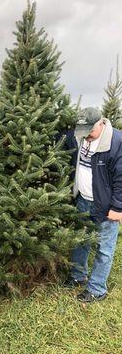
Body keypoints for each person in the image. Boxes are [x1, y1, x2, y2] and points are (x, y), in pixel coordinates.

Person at [63, 107, 122, 302]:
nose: (86, 135)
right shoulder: (80, 136)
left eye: (90, 130)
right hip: (82, 199)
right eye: (83, 130)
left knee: (104, 248)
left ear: (101, 123)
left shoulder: (116, 143)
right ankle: (77, 277)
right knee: (81, 241)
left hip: (105, 206)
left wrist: (117, 207)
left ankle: (97, 289)